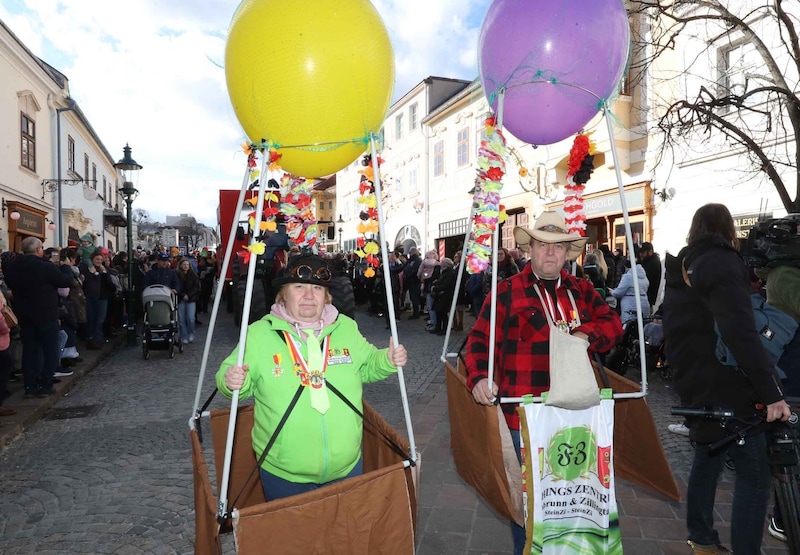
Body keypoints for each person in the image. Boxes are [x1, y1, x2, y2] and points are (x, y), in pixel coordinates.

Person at [465, 211, 623, 555]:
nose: (550, 254)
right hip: (525, 418)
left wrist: (584, 334)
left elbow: (613, 324)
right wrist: (478, 378)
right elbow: (478, 340)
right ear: (530, 250)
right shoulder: (505, 292)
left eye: (558, 248)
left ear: (568, 253)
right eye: (541, 246)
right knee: (528, 505)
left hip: (578, 418)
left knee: (574, 499)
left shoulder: (582, 290)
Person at [216, 254, 407, 501]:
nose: (309, 295)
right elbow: (230, 378)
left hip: (346, 467)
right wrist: (231, 380)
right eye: (299, 287)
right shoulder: (258, 334)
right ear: (284, 294)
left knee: (345, 537)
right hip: (284, 474)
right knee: (293, 539)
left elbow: (368, 365)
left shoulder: (346, 328)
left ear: (327, 296)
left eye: (317, 288)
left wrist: (389, 360)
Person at [662, 203, 790, 554]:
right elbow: (740, 333)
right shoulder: (722, 262)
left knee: (708, 455)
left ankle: (701, 537)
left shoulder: (685, 264)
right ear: (729, 230)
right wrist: (771, 391)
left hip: (697, 380)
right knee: (754, 475)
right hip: (728, 383)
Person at [4, 237, 73, 397]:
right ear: (38, 250)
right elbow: (65, 282)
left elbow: (11, 284)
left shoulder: (14, 267)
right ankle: (46, 384)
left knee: (29, 351)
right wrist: (64, 267)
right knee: (50, 350)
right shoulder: (45, 266)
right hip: (46, 313)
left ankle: (30, 387)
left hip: (25, 314)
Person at [610, 258, 650, 326]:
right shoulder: (644, 277)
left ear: (626, 267)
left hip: (630, 306)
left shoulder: (628, 277)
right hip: (644, 304)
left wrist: (611, 291)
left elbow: (618, 293)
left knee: (629, 328)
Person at [176, 258, 200, 343]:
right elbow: (176, 287)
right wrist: (182, 295)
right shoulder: (177, 275)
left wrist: (188, 295)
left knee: (190, 318)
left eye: (187, 265)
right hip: (181, 298)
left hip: (191, 298)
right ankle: (184, 336)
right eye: (184, 264)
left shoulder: (193, 275)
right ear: (180, 265)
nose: (186, 266)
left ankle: (191, 332)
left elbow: (196, 287)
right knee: (181, 319)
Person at [638, 241, 663, 311]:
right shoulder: (649, 262)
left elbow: (644, 277)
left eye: (643, 253)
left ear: (650, 252)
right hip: (646, 299)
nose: (641, 255)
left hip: (647, 299)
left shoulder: (653, 263)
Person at [403, 247, 422, 319]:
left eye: (410, 253)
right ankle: (415, 312)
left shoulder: (417, 260)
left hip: (414, 281)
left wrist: (409, 275)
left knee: (415, 298)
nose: (409, 254)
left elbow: (415, 270)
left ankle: (416, 313)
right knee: (413, 297)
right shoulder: (411, 260)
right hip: (411, 281)